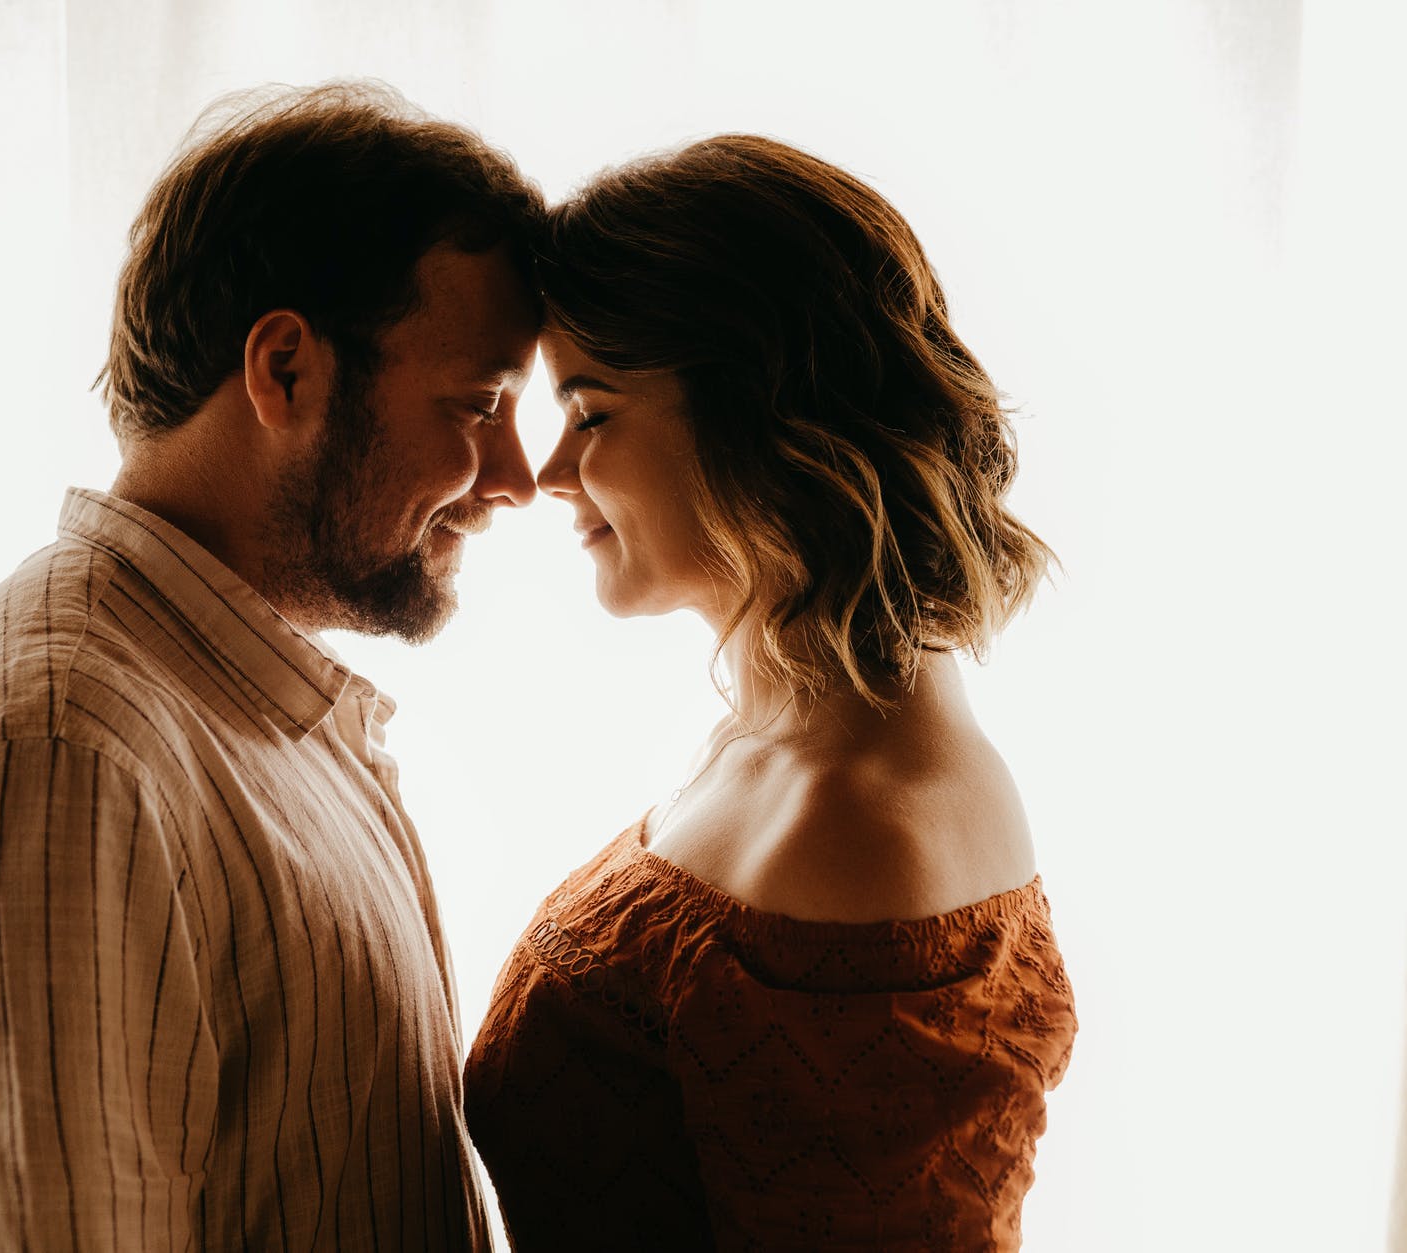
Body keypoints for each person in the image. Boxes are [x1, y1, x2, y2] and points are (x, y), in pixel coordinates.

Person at [0, 82, 542, 1252]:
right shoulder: (49, 760)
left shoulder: (240, 715)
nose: (517, 476)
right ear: (285, 369)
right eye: (480, 403)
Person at [462, 135, 1077, 1250]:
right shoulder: (774, 733)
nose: (548, 473)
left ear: (756, 416)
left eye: (589, 411)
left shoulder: (858, 821)